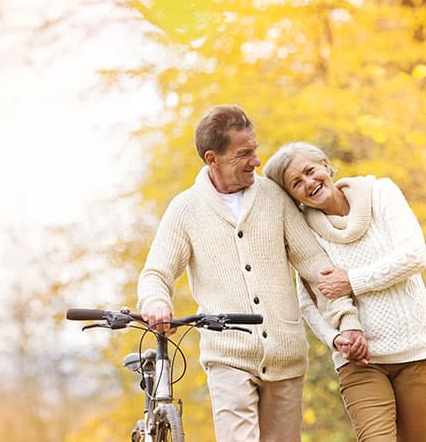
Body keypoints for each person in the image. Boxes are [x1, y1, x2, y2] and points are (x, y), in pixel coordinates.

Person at [137, 105, 365, 442]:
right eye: (244, 154)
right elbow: (156, 273)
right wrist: (157, 303)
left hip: (285, 357)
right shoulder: (186, 209)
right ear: (212, 159)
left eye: (254, 149)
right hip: (228, 357)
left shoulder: (274, 197)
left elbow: (317, 267)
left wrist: (346, 321)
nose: (256, 161)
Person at [263, 142, 426, 442]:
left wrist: (352, 280)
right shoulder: (305, 233)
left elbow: (414, 257)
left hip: (418, 352)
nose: (308, 182)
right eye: (296, 183)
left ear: (325, 165)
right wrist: (334, 339)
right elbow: (309, 302)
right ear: (293, 195)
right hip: (361, 364)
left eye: (310, 171)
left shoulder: (380, 193)